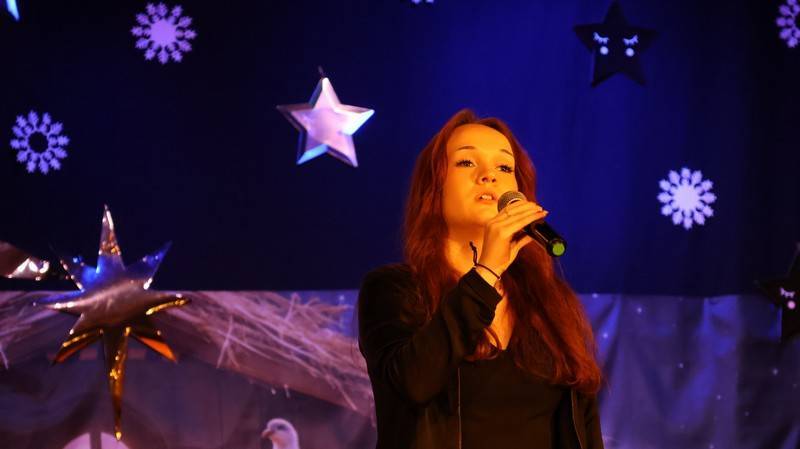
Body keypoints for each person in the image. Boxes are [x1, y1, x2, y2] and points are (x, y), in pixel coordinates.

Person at [357, 109, 604, 449]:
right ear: (435, 187)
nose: (489, 176)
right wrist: (486, 272)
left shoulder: (549, 300)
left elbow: (584, 425)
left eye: (504, 168)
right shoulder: (394, 290)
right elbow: (413, 383)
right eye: (467, 162)